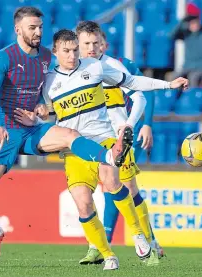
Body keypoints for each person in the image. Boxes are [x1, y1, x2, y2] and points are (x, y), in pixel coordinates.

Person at [0, 7, 138, 265]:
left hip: (33, 128)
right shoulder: (4, 57)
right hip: (5, 133)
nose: (38, 31)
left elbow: (56, 84)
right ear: (18, 29)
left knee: (70, 134)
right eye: (32, 27)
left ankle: (107, 155)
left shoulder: (46, 57)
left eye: (40, 26)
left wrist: (42, 106)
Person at [14, 29, 188, 270]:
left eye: (75, 49)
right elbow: (48, 113)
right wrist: (40, 115)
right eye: (67, 51)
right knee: (83, 203)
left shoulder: (95, 67)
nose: (73, 55)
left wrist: (168, 84)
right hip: (73, 148)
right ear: (55, 52)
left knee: (112, 181)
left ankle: (138, 234)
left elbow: (132, 82)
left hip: (104, 139)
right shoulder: (48, 81)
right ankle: (107, 254)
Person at [76, 21, 163, 265]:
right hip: (91, 139)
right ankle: (104, 245)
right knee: (111, 190)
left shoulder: (117, 66)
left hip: (117, 139)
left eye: (97, 43)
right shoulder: (76, 69)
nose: (93, 47)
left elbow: (144, 92)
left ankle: (146, 242)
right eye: (88, 44)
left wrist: (143, 124)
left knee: (123, 188)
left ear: (104, 44)